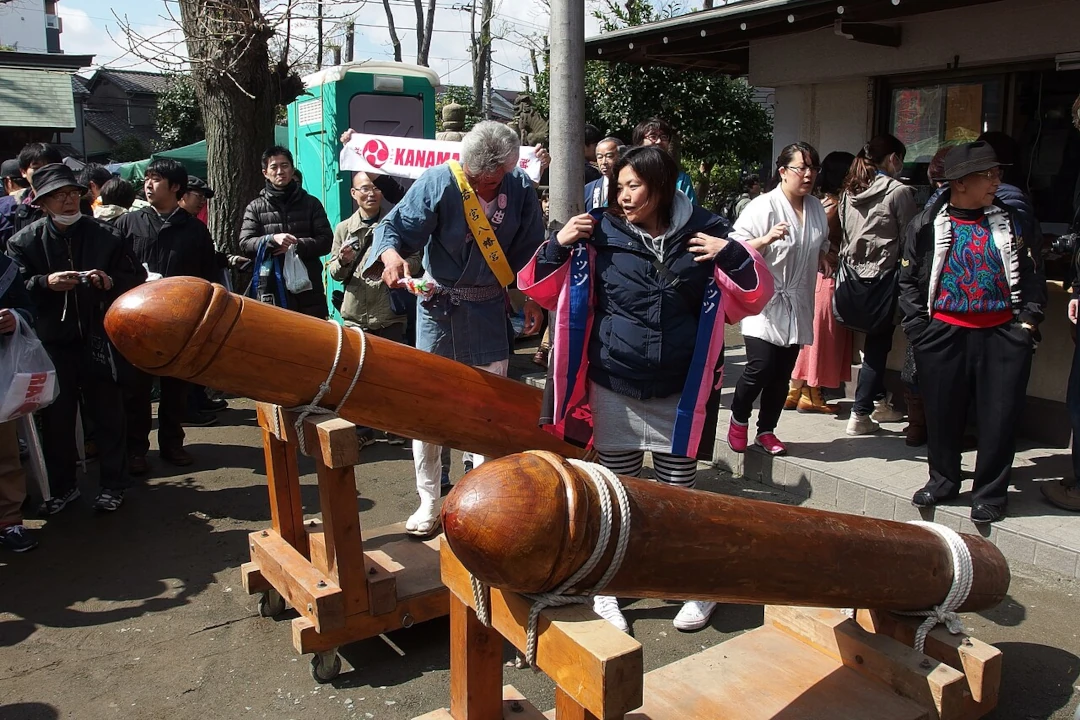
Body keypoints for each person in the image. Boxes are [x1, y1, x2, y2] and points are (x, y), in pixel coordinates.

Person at [519, 144, 772, 633]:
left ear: (660, 186)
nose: (623, 194)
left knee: (679, 492)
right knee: (620, 491)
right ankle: (611, 588)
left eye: (633, 185)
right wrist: (558, 243)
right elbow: (536, 287)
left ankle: (694, 586)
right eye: (619, 186)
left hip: (681, 386)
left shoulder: (710, 230)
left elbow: (757, 297)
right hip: (615, 380)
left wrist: (733, 252)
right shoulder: (598, 230)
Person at [363, 121, 549, 538]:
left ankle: (480, 499)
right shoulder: (439, 181)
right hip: (438, 308)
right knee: (428, 407)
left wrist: (535, 296)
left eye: (493, 180)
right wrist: (391, 255)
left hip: (487, 310)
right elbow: (392, 228)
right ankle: (430, 498)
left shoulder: (518, 187)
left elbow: (533, 247)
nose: (486, 186)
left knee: (486, 408)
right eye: (479, 180)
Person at [900, 141, 1046, 524]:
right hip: (944, 334)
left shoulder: (1012, 220)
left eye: (998, 173)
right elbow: (907, 279)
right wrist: (919, 330)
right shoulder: (928, 223)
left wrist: (1027, 324)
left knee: (999, 418)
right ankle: (943, 480)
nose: (997, 180)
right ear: (960, 183)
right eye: (989, 174)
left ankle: (990, 493)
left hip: (1001, 334)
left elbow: (1033, 274)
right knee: (943, 413)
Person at [6, 163, 146, 513]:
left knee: (109, 414)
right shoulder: (23, 241)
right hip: (52, 343)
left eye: (72, 193)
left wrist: (108, 281)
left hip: (100, 336)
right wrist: (44, 283)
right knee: (57, 419)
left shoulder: (107, 235)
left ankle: (114, 484)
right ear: (42, 203)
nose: (68, 201)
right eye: (58, 196)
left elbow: (136, 277)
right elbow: (15, 289)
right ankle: (63, 486)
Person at [114, 159, 220, 473]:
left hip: (180, 321)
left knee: (176, 387)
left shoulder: (194, 229)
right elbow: (114, 267)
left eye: (156, 179)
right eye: (147, 179)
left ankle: (172, 443)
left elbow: (207, 275)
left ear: (175, 187)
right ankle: (136, 450)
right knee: (136, 389)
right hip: (138, 320)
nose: (148, 185)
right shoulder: (129, 223)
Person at [727, 143, 830, 455]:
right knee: (761, 366)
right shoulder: (763, 207)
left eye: (814, 168)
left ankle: (767, 431)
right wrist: (766, 239)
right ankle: (738, 418)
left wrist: (826, 256)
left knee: (782, 373)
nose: (809, 174)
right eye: (802, 168)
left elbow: (819, 241)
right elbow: (735, 250)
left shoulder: (816, 208)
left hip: (798, 303)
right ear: (783, 171)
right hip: (764, 303)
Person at [328, 171, 420, 447]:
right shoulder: (344, 228)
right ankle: (363, 428)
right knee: (358, 376)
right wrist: (343, 261)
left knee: (393, 374)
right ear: (353, 194)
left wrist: (399, 265)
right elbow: (333, 272)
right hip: (356, 313)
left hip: (389, 312)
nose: (371, 194)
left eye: (375, 189)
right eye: (364, 189)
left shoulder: (398, 224)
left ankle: (393, 425)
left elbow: (417, 259)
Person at [838, 134, 917, 436]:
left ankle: (877, 403)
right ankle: (860, 414)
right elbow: (911, 239)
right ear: (893, 159)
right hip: (884, 280)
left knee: (870, 345)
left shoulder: (849, 191)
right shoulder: (898, 193)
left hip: (853, 280)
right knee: (877, 347)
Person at [785, 151, 855, 414]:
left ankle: (795, 389)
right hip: (828, 276)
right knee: (821, 338)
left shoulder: (818, 204)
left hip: (812, 277)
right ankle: (812, 394)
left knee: (809, 336)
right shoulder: (835, 207)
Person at [240, 146, 333, 318]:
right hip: (271, 286)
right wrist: (271, 239)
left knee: (311, 339)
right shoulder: (255, 207)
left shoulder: (311, 204)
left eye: (285, 166)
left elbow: (327, 241)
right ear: (265, 172)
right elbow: (245, 243)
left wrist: (296, 246)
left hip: (308, 289)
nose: (280, 171)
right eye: (274, 167)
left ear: (292, 169)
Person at [0, 251, 38, 551]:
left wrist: (14, 318)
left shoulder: (3, 266)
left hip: (1, 374)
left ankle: (8, 520)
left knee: (4, 453)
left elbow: (27, 309)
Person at [632, 118, 698, 205]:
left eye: (663, 137)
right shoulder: (627, 174)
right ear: (639, 143)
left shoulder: (680, 179)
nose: (659, 141)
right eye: (653, 136)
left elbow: (691, 211)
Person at [3, 143, 62, 239]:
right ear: (23, 172)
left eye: (49, 166)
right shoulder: (22, 209)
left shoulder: (74, 200)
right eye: (36, 168)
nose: (44, 172)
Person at [584, 137, 623, 211]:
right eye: (600, 157)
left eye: (609, 156)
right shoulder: (588, 189)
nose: (604, 162)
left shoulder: (629, 186)